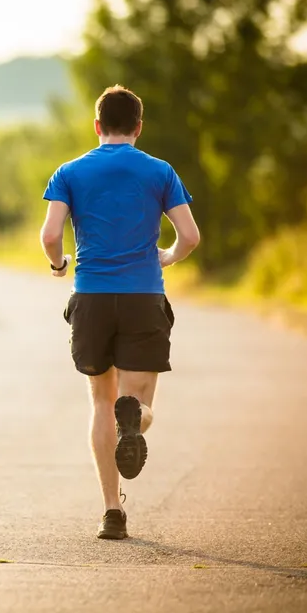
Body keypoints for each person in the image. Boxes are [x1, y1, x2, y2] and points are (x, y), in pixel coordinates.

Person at [39, 84, 201, 541]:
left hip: (91, 296)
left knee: (100, 401)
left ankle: (112, 513)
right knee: (139, 404)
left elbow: (51, 234)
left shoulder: (69, 171)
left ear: (96, 126)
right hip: (142, 296)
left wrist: (58, 265)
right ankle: (136, 421)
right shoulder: (159, 171)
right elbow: (189, 236)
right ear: (138, 127)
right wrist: (167, 256)